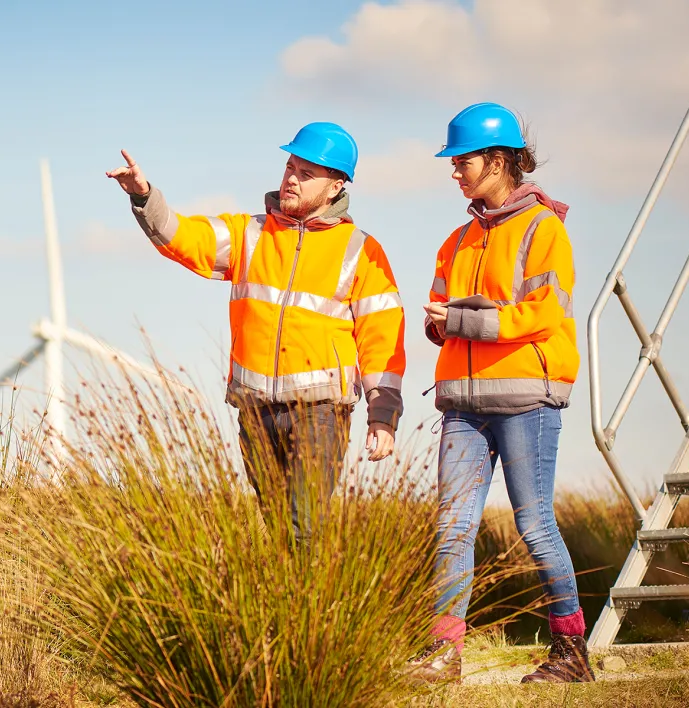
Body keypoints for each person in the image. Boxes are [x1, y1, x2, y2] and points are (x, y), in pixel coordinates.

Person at [105, 123, 406, 540]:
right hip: (255, 409)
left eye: (306, 173)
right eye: (289, 167)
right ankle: (288, 606)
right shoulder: (249, 233)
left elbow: (382, 336)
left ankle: (307, 606)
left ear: (336, 186)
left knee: (304, 530)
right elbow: (182, 236)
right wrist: (144, 196)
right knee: (279, 530)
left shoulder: (360, 250)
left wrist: (383, 414)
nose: (291, 179)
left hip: (320, 413)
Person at [407, 103, 593, 684]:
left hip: (526, 400)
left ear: (499, 161)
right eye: (454, 162)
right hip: (462, 404)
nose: (455, 172)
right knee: (452, 527)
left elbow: (545, 313)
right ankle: (444, 656)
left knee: (534, 525)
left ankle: (570, 653)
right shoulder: (456, 239)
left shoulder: (545, 229)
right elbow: (440, 315)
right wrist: (440, 323)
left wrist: (463, 322)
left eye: (463, 161)